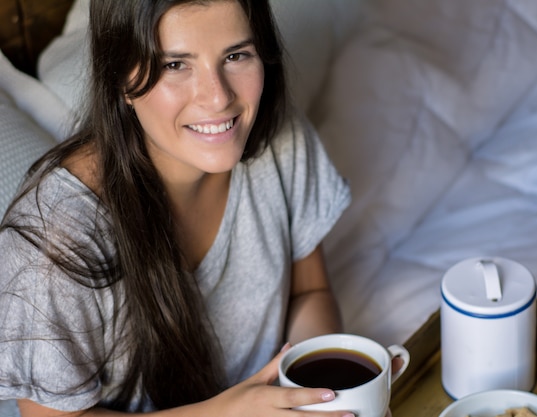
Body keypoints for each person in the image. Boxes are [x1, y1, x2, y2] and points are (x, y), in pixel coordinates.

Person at [0, 0, 353, 416]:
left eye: (236, 55)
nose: (219, 97)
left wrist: (319, 396)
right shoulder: (52, 245)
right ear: (121, 78)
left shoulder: (278, 138)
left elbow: (308, 291)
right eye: (175, 65)